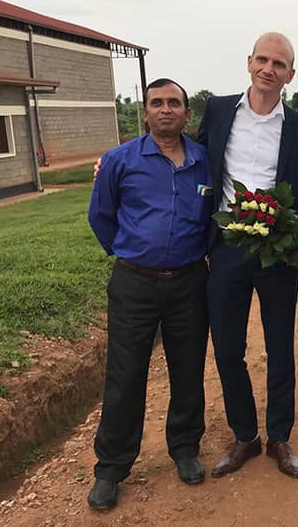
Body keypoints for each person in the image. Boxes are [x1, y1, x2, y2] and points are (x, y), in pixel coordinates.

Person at [198, 32, 298, 479]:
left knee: (279, 346)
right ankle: (244, 435)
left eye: (280, 63)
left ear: (291, 74)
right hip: (227, 249)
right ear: (249, 62)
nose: (270, 68)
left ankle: (279, 437)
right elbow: (190, 159)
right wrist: (116, 161)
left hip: (277, 254)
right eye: (263, 60)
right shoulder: (216, 111)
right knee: (228, 346)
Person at [87, 78, 211, 510]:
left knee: (188, 365)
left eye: (174, 103)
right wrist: (130, 251)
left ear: (186, 113)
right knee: (125, 374)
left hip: (189, 282)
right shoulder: (120, 160)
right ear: (144, 112)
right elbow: (101, 215)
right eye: (156, 103)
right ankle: (111, 467)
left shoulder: (203, 161)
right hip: (134, 283)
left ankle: (185, 448)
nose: (165, 110)